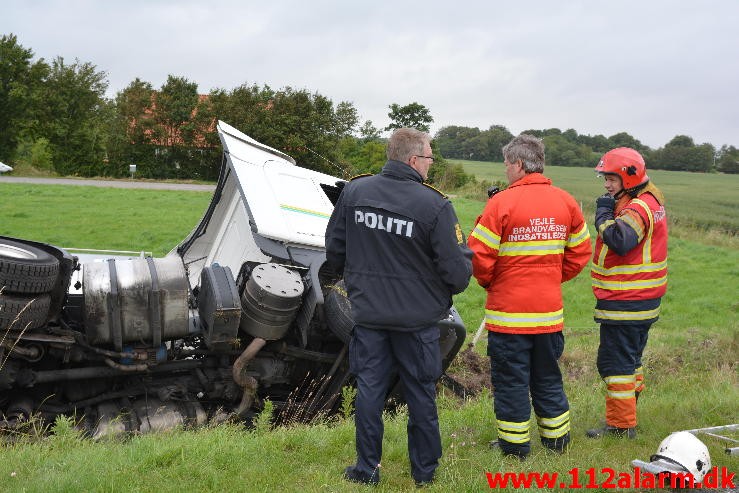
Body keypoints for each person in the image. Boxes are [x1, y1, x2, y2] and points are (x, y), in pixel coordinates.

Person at [325, 128, 472, 486]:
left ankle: (366, 469)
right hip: (417, 322)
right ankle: (424, 473)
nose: (431, 165)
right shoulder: (434, 205)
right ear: (413, 159)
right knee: (421, 392)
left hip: (369, 316)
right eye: (430, 158)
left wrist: (358, 286)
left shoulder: (355, 191)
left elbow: (335, 249)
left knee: (370, 391)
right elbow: (458, 272)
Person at [467, 134, 591, 459]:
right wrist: (550, 277)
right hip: (549, 316)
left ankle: (515, 449)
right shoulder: (566, 202)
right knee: (548, 378)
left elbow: (478, 256)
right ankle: (557, 443)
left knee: (511, 384)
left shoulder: (500, 204)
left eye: (507, 164)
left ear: (519, 164)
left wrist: (491, 283)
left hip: (508, 318)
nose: (505, 170)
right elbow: (580, 253)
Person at [585, 147, 667, 439]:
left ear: (629, 178)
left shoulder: (638, 207)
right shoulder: (647, 200)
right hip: (640, 300)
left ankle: (620, 428)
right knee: (630, 361)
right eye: (605, 178)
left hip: (627, 301)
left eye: (611, 179)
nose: (606, 185)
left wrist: (603, 214)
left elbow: (620, 241)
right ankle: (628, 413)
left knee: (614, 365)